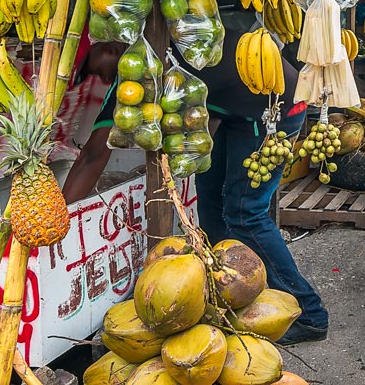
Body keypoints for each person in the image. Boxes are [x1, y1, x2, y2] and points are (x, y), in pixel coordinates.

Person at [62, 27, 330, 346]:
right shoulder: (156, 45)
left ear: (107, 49)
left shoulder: (137, 65)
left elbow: (93, 156)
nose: (101, 79)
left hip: (273, 109)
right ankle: (234, 299)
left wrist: (61, 218)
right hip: (240, 115)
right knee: (211, 207)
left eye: (95, 70)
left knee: (245, 214)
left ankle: (310, 314)